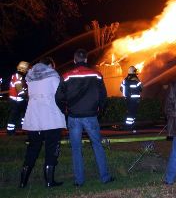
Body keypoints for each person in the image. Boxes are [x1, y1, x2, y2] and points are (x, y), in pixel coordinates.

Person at [55, 49, 114, 186]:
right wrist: (100, 110)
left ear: (74, 60)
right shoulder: (97, 74)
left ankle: (79, 181)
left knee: (76, 148)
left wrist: (65, 110)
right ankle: (105, 178)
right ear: (86, 60)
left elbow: (58, 97)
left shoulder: (67, 76)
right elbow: (103, 96)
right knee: (97, 145)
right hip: (91, 115)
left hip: (74, 116)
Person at [20, 57, 66, 188]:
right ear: (50, 65)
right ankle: (49, 181)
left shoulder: (30, 79)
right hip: (51, 118)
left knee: (32, 149)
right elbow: (61, 96)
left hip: (34, 119)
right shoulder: (54, 77)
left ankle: (23, 182)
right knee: (51, 149)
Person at [7, 61, 30, 135]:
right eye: (27, 69)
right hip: (16, 100)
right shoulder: (18, 76)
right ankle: (10, 131)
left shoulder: (20, 76)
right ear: (24, 69)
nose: (27, 71)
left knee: (23, 115)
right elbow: (19, 89)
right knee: (14, 115)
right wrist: (26, 95)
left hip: (18, 100)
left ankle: (24, 129)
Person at [120, 66, 142, 132]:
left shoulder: (125, 80)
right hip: (134, 100)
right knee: (132, 113)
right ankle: (129, 127)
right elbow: (140, 89)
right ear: (134, 71)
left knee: (129, 112)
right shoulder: (136, 80)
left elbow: (121, 89)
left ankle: (129, 126)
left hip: (127, 99)